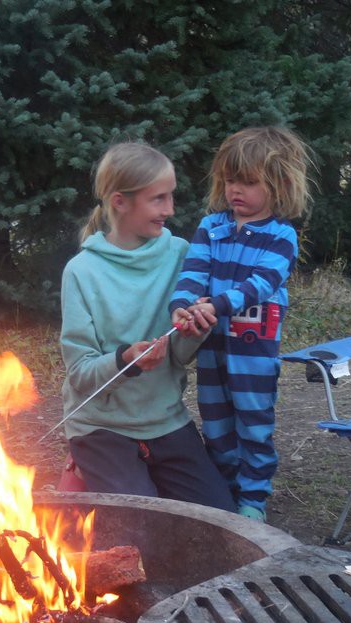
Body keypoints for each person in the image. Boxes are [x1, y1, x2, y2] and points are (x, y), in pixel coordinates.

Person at [59, 142, 236, 513]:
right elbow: (79, 374)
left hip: (166, 420)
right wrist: (126, 359)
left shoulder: (184, 255)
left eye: (171, 196)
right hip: (101, 427)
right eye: (158, 199)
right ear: (120, 202)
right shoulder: (82, 272)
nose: (170, 210)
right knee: (141, 530)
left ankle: (137, 474)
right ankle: (85, 464)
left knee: (220, 522)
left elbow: (181, 355)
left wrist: (195, 330)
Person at [169, 126, 312, 520]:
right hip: (212, 347)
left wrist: (217, 304)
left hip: (254, 350)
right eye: (230, 180)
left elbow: (261, 284)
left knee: (252, 420)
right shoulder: (210, 227)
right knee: (214, 420)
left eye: (248, 182)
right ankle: (225, 490)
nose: (236, 190)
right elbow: (192, 274)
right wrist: (181, 307)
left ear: (279, 184)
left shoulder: (281, 237)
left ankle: (253, 498)